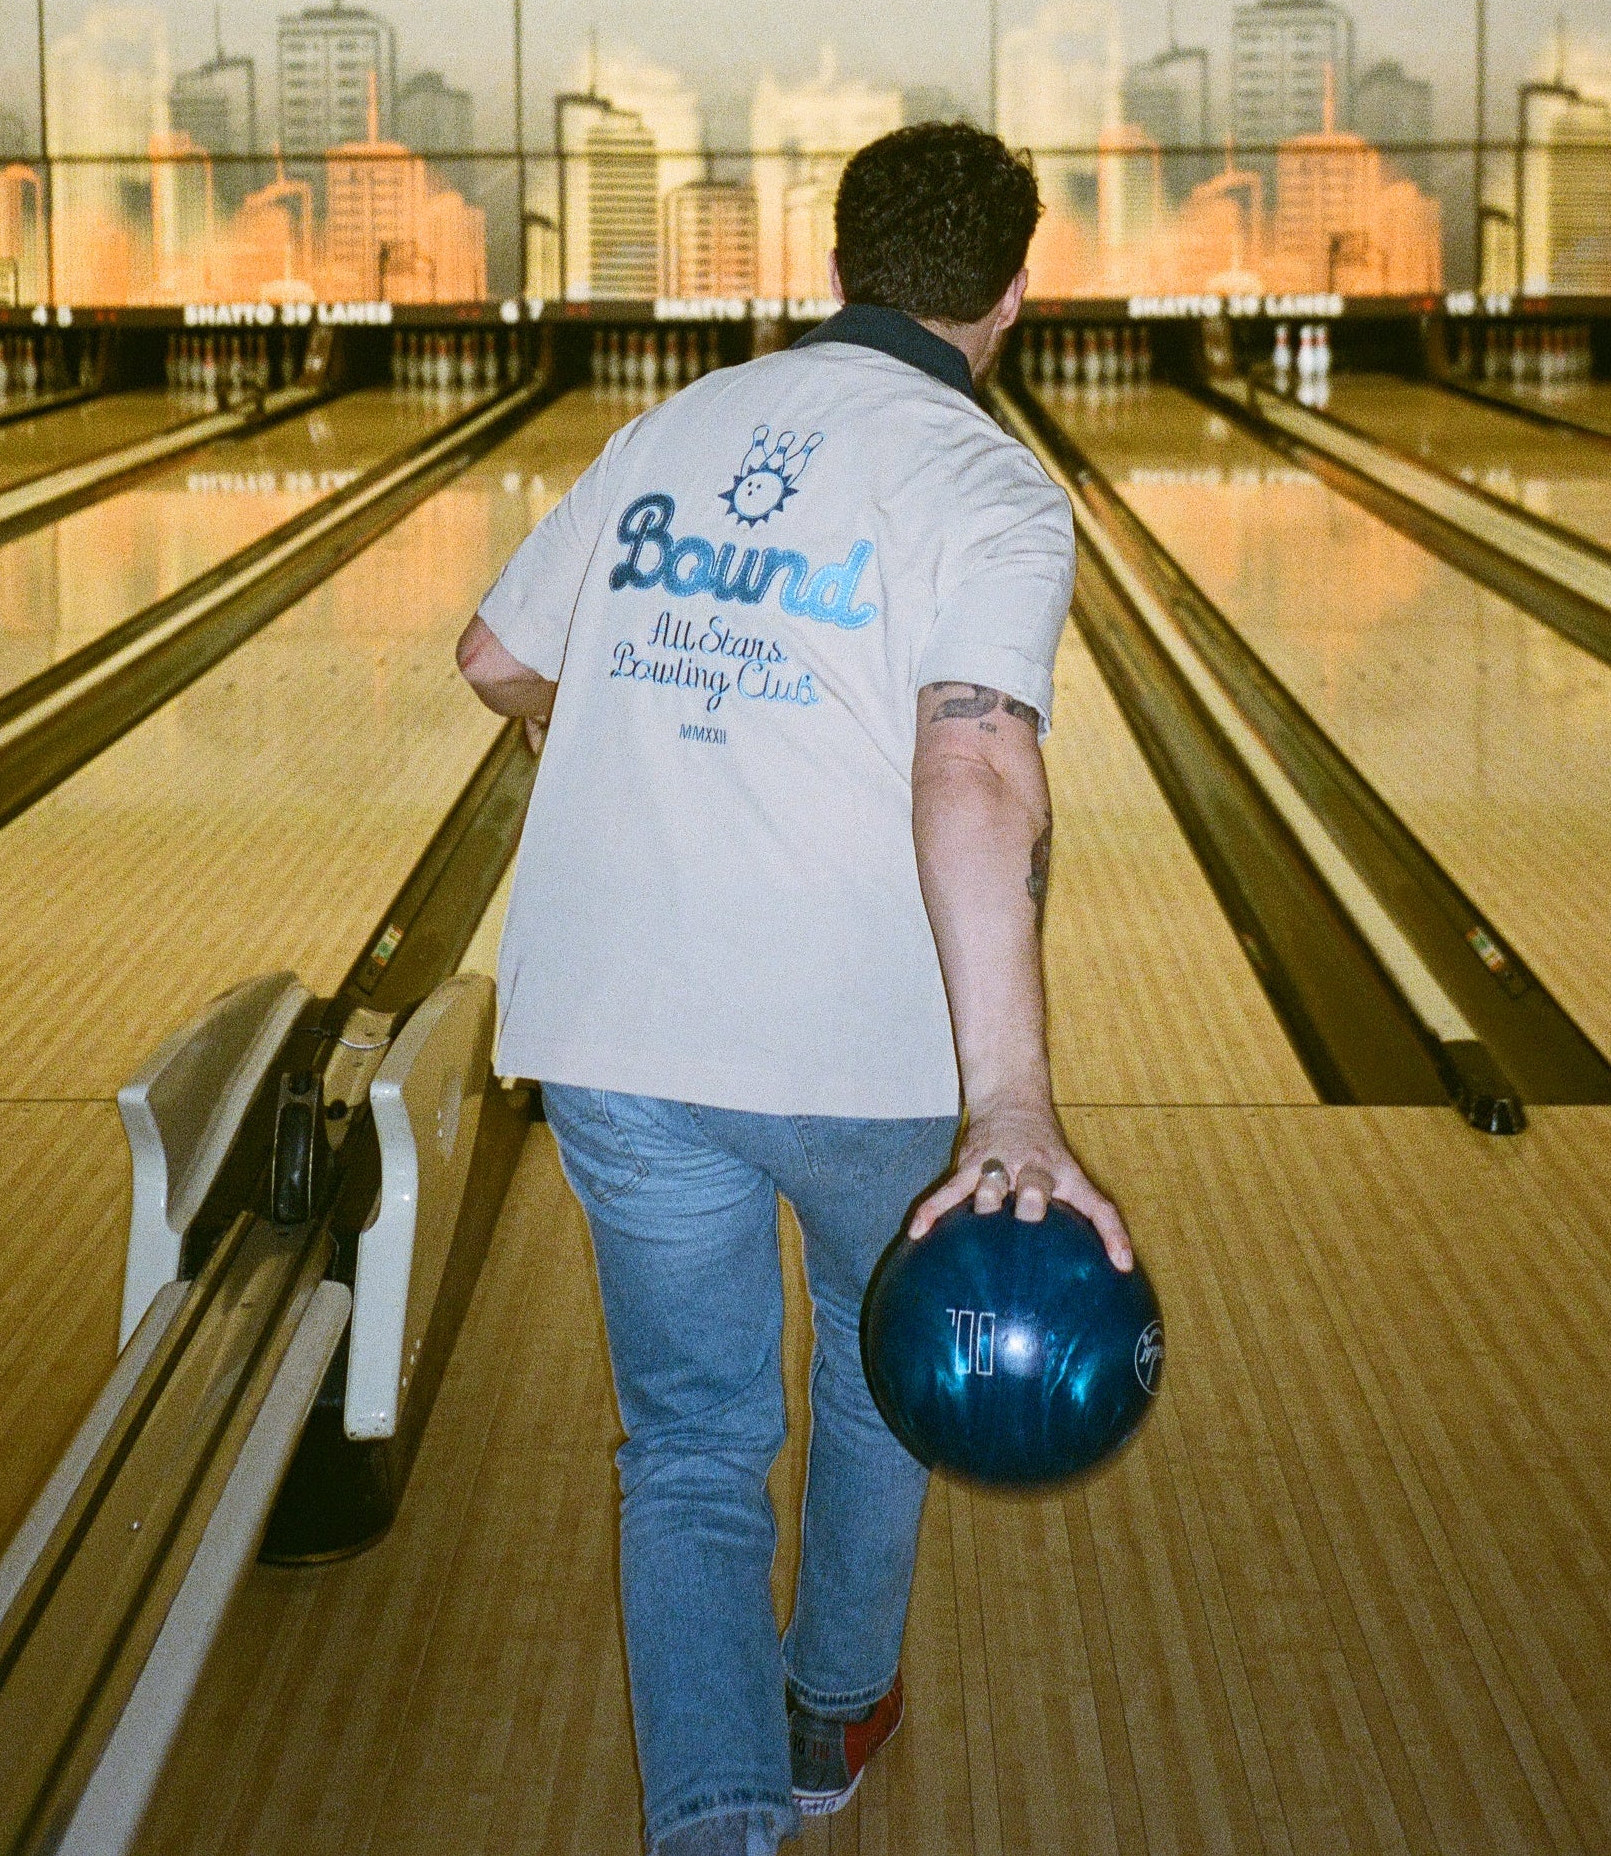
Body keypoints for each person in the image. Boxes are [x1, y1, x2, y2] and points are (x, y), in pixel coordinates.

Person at [456, 121, 1132, 1855]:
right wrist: (1014, 1102)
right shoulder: (985, 485)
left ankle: (716, 1827)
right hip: (855, 1044)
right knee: (874, 1358)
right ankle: (831, 1705)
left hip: (610, 1023)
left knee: (685, 1446)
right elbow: (974, 769)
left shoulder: (672, 427)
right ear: (1011, 295)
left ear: (839, 260)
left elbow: (493, 656)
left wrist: (645, 731)